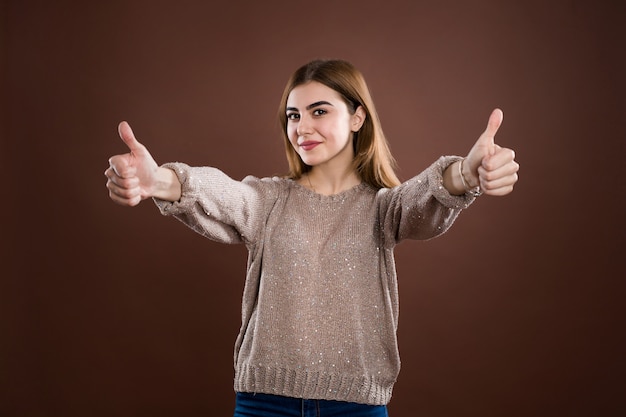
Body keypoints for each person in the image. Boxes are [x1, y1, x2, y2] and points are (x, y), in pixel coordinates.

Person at [105, 59, 519, 416]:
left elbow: (425, 196)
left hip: (356, 408)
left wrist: (466, 173)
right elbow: (223, 193)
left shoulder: (382, 207)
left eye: (319, 111)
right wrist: (157, 180)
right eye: (293, 115)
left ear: (357, 117)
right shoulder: (268, 200)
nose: (302, 127)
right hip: (263, 403)